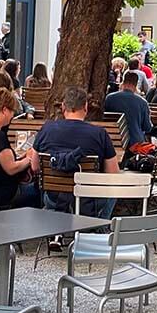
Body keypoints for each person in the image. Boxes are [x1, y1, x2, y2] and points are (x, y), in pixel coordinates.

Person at [33, 87, 119, 218]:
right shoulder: (99, 134)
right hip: (89, 200)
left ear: (63, 106)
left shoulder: (46, 129)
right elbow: (113, 174)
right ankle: (99, 227)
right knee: (115, 190)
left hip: (54, 199)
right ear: (85, 107)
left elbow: (35, 166)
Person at [102, 70, 152, 148]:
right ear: (136, 85)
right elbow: (147, 127)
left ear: (123, 82)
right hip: (135, 143)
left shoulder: (109, 98)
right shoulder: (142, 102)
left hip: (112, 140)